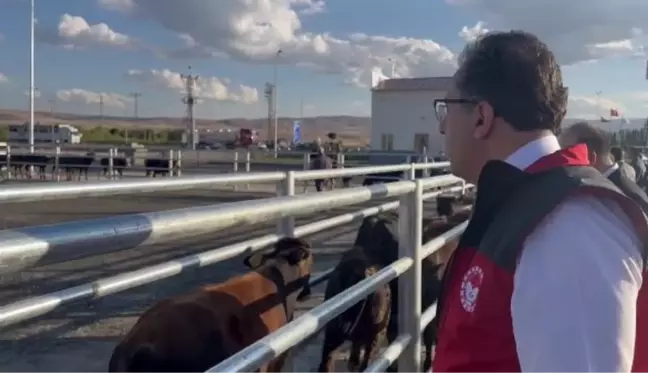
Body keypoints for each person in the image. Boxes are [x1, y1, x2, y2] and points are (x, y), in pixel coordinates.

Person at [433, 30, 648, 373]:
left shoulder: (567, 224)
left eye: (447, 108)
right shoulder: (531, 203)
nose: (443, 125)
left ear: (481, 118)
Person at [559, 122, 648, 212]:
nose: (563, 161)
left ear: (589, 155)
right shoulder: (607, 188)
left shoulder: (627, 199)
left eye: (568, 153)